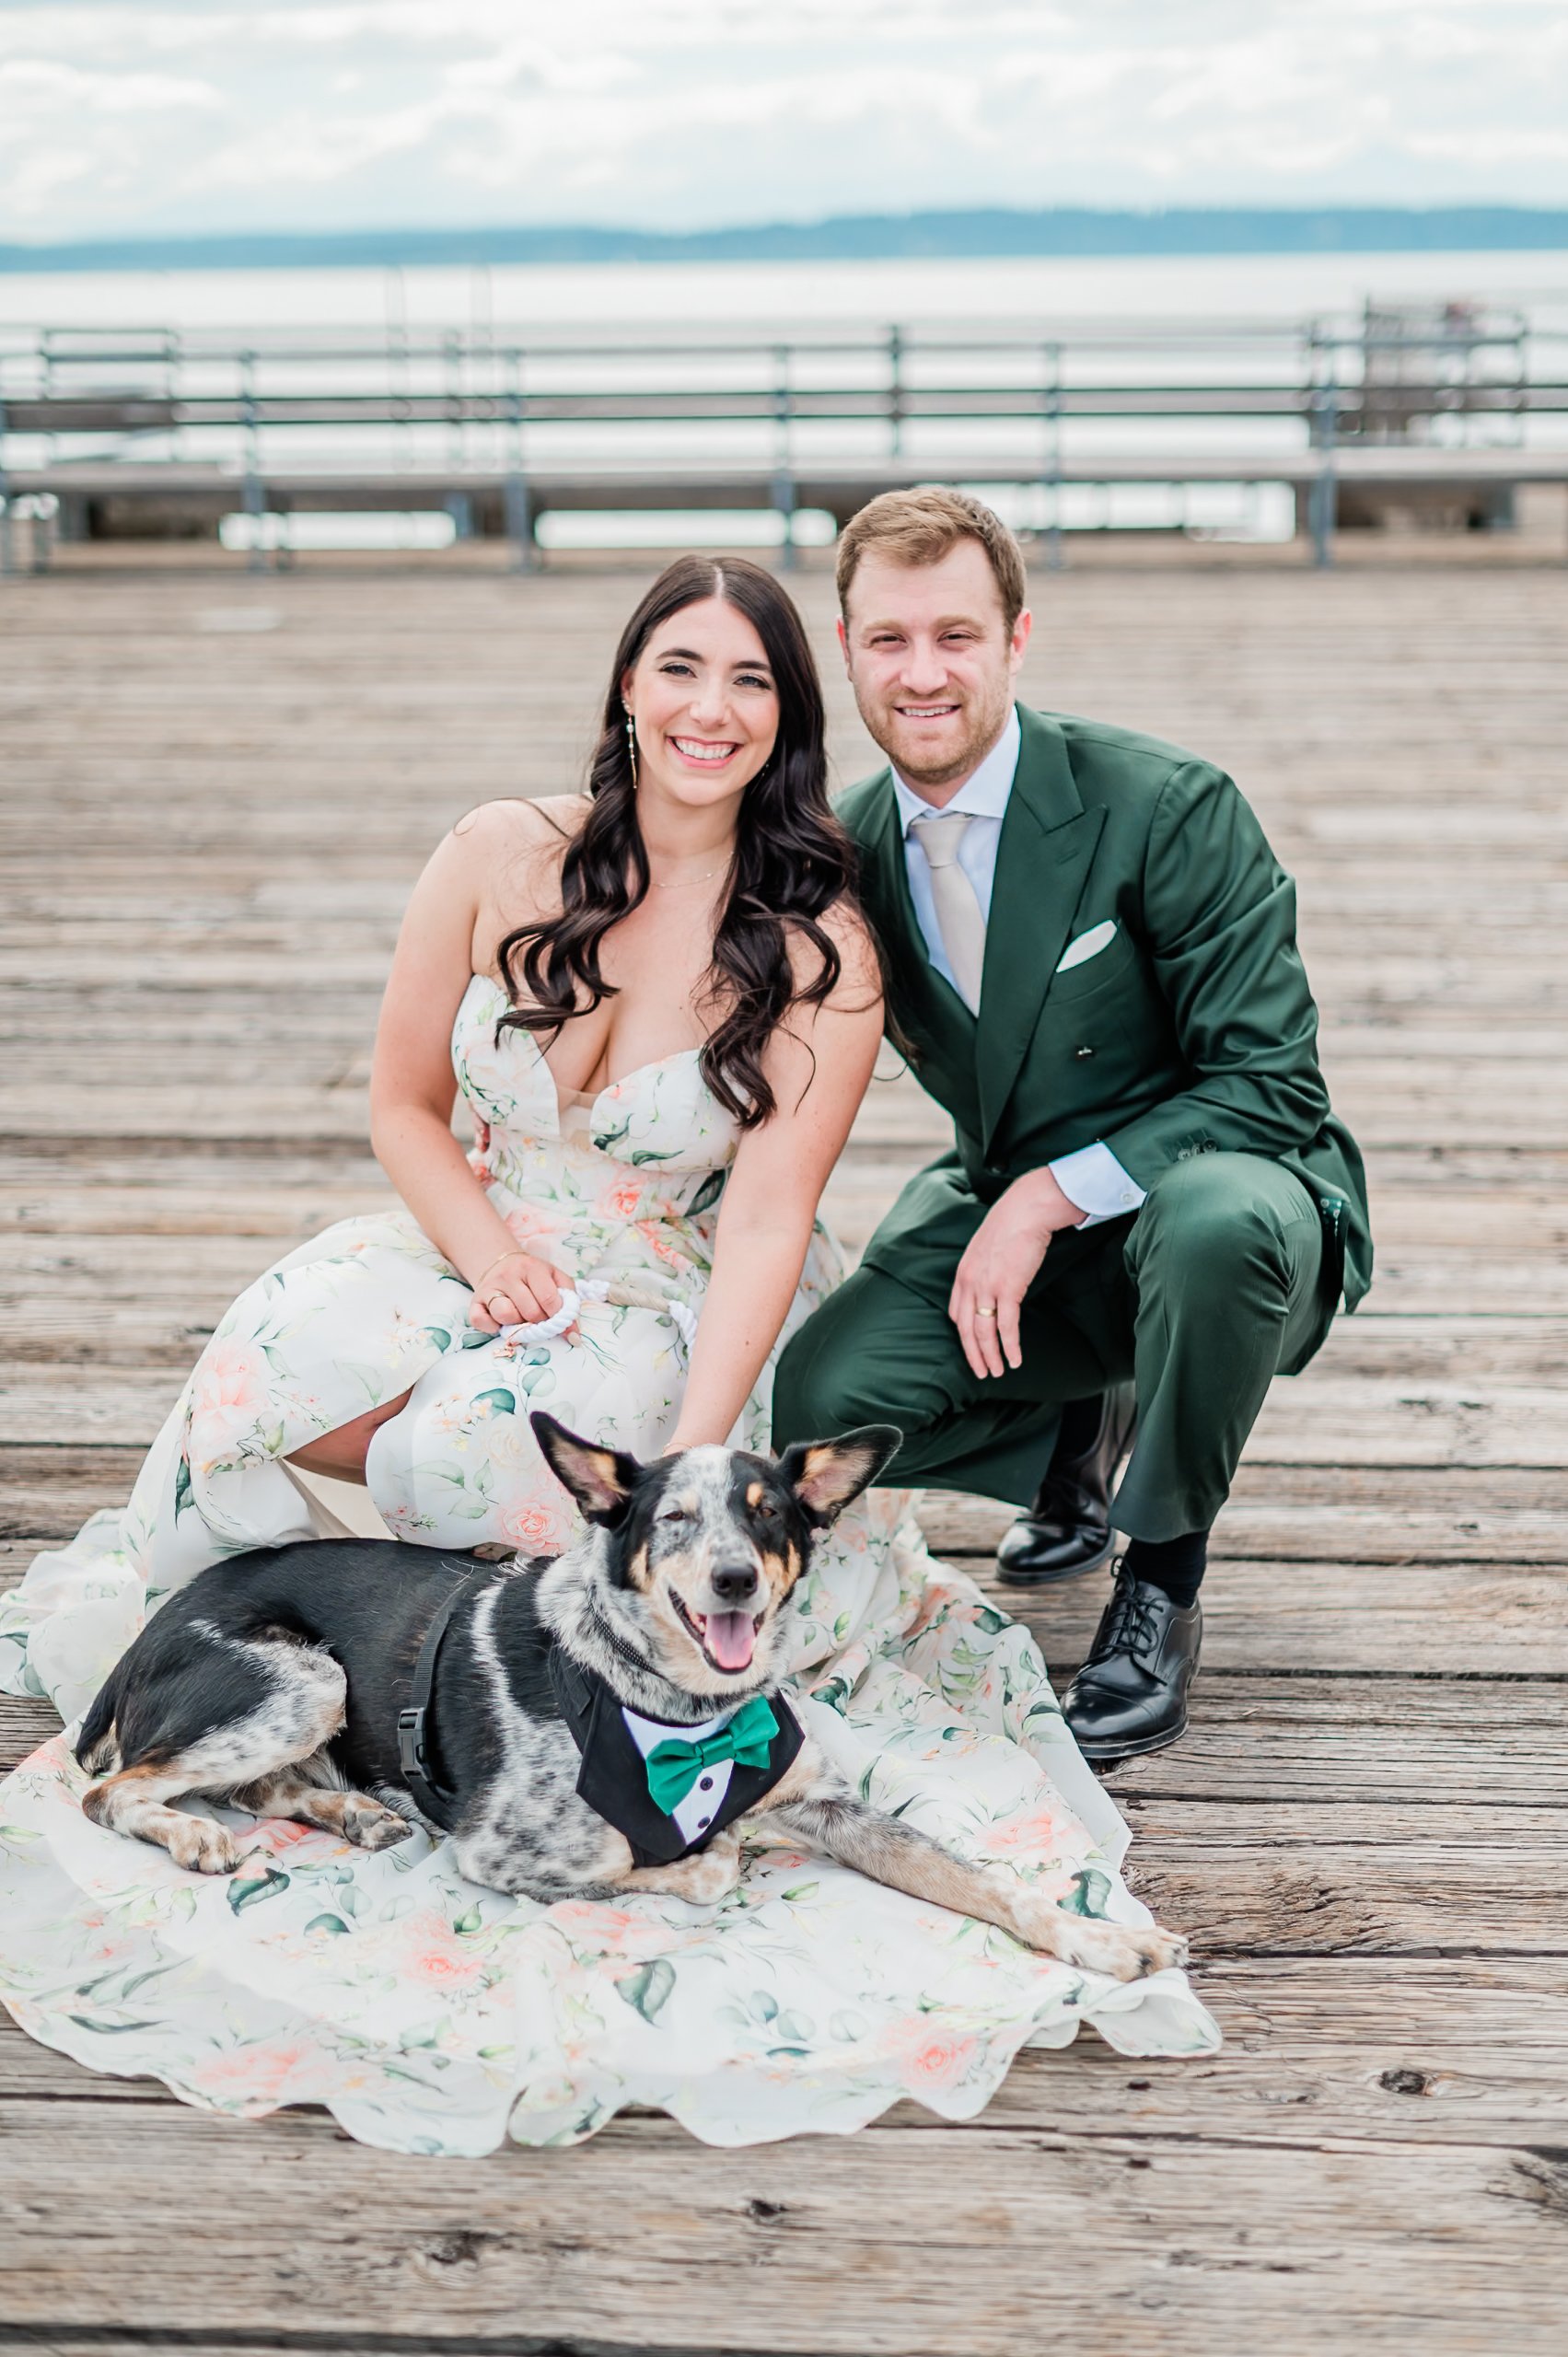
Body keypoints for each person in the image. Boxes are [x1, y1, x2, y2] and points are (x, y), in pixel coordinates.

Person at [0, 553, 1216, 2154]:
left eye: (751, 683)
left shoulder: (817, 945)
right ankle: (282, 1659)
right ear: (628, 687)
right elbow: (401, 1108)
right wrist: (489, 1250)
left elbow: (772, 1224)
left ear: (784, 720)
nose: (710, 710)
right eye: (680, 670)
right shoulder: (501, 853)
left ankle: (464, 1679)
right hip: (475, 1231)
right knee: (268, 1364)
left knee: (478, 1450)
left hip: (671, 1282)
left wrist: (691, 1479)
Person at [773, 488, 1373, 1761]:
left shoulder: (1167, 804)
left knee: (1214, 1229)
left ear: (1016, 639)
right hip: (1007, 1193)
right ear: (846, 649)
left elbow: (1272, 1082)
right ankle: (1070, 1428)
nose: (922, 673)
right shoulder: (849, 851)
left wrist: (1047, 1199)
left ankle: (1160, 1576)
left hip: (1230, 1187)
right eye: (888, 640)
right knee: (825, 1396)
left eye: (955, 636)